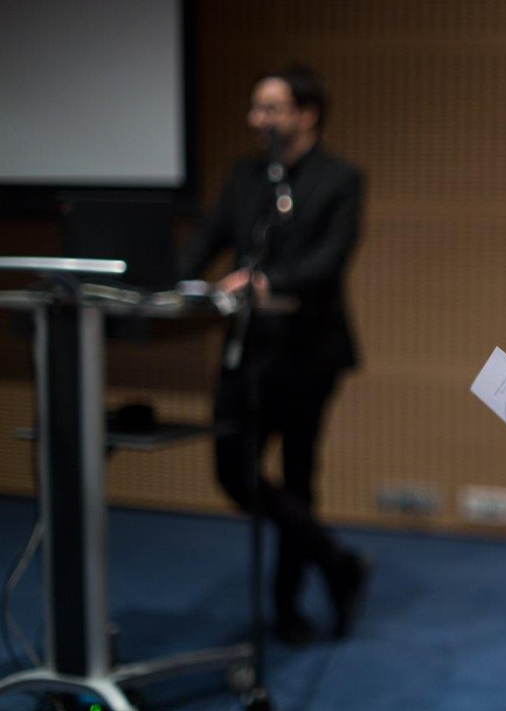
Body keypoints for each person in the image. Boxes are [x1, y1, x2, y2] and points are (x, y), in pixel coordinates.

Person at [178, 65, 369, 644]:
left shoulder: (339, 179)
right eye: (255, 107)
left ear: (306, 114)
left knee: (298, 474)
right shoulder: (246, 176)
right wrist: (169, 281)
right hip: (249, 349)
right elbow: (208, 240)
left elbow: (330, 259)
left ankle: (288, 607)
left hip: (309, 350)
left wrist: (269, 282)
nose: (256, 119)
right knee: (234, 473)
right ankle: (337, 561)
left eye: (270, 108)